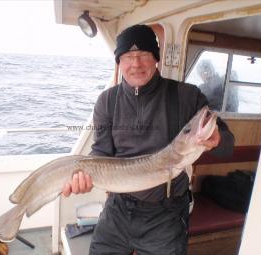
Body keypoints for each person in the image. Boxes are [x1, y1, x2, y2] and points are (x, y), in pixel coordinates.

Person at [62, 24, 234, 255]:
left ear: (156, 59)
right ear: (119, 62)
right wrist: (84, 176)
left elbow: (227, 147)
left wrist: (217, 139)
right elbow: (101, 152)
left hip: (165, 215)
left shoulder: (187, 96)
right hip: (117, 210)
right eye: (128, 57)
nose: (136, 63)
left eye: (143, 54)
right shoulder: (107, 101)